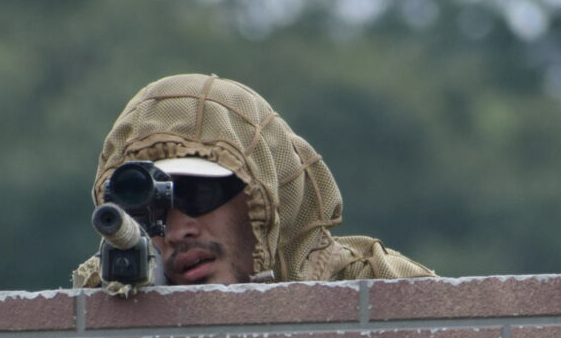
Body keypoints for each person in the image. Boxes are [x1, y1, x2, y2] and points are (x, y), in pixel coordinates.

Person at [72, 73, 434, 288]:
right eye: (152, 210)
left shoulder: (380, 286)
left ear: (262, 194)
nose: (178, 231)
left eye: (199, 193)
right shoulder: (102, 306)